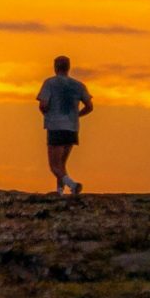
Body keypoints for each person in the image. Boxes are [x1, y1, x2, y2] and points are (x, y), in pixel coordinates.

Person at [36, 55, 93, 195]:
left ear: (55, 67)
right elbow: (89, 106)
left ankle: (72, 184)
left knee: (54, 166)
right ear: (69, 67)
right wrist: (77, 115)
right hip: (72, 127)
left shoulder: (50, 83)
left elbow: (43, 104)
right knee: (62, 164)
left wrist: (47, 114)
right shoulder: (78, 85)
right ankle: (60, 191)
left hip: (56, 126)